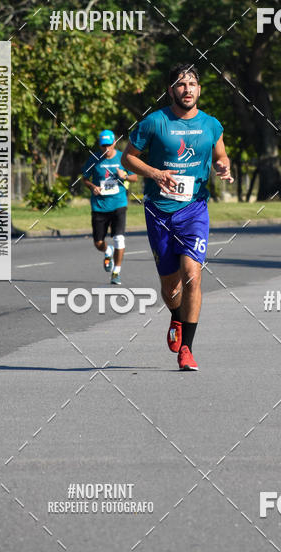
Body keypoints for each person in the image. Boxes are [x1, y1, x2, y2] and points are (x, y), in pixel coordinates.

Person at [121, 63, 233, 371]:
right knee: (171, 287)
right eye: (181, 85)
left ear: (199, 90)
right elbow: (127, 158)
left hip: (194, 209)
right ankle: (175, 315)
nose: (187, 89)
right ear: (171, 90)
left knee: (192, 276)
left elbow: (220, 155)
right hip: (159, 211)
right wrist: (155, 173)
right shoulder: (155, 122)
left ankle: (187, 349)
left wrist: (223, 166)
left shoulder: (211, 124)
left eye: (192, 84)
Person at [82, 129, 137, 285]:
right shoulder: (93, 159)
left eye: (109, 145)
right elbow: (85, 178)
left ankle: (116, 272)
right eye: (103, 146)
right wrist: (92, 186)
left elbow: (134, 177)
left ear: (114, 143)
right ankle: (108, 251)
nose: (106, 148)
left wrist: (124, 176)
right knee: (98, 243)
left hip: (119, 204)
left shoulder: (123, 157)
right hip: (99, 206)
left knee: (119, 238)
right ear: (100, 145)